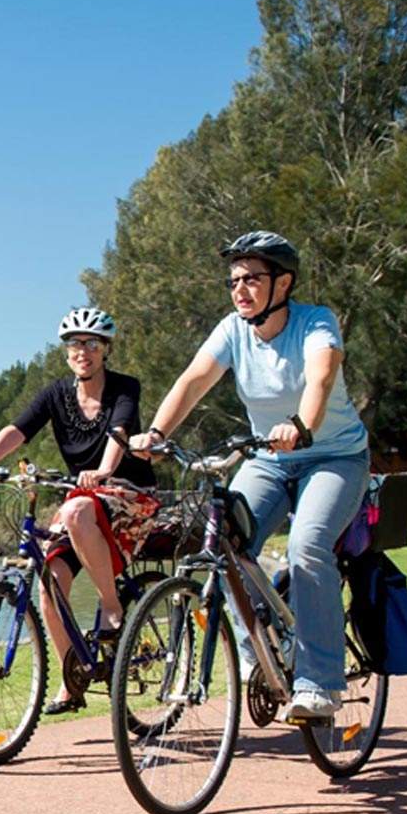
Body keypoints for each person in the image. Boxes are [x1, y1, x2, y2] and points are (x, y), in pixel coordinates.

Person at [128, 231, 369, 723]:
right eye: (234, 280)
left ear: (282, 283)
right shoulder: (233, 330)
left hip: (335, 456)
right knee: (224, 542)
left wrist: (302, 426)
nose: (239, 289)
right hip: (267, 459)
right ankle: (258, 647)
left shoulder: (315, 322)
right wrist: (155, 432)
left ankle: (319, 683)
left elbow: (321, 378)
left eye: (251, 279)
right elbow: (193, 380)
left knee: (307, 545)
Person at [0, 307, 159, 714]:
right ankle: (73, 677)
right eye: (75, 344)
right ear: (66, 352)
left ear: (106, 350)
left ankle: (111, 604)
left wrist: (104, 470)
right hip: (83, 497)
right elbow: (16, 431)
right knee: (50, 581)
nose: (83, 351)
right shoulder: (55, 394)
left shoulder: (124, 388)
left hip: (128, 493)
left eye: (92, 344)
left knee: (77, 511)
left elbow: (120, 430)